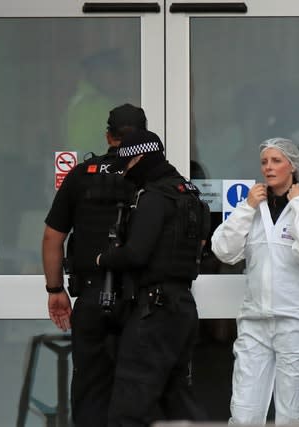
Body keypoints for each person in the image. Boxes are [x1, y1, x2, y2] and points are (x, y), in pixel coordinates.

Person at [211, 137, 299, 425]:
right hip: (255, 322)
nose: (268, 167)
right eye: (264, 161)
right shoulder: (253, 206)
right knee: (244, 413)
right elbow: (224, 250)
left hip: (297, 323)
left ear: (293, 166)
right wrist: (247, 208)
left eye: (276, 161)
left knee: (294, 413)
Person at [42, 103, 147, 427]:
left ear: (107, 136)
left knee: (90, 389)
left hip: (90, 298)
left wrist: (55, 289)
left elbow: (52, 238)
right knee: (138, 389)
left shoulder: (81, 176)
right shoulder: (153, 175)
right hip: (140, 299)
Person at [96, 129, 210, 426]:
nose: (125, 173)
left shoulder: (154, 197)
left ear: (142, 158)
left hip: (153, 311)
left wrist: (103, 258)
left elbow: (136, 254)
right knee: (176, 403)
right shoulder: (192, 196)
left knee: (129, 408)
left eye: (128, 165)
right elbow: (199, 248)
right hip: (182, 308)